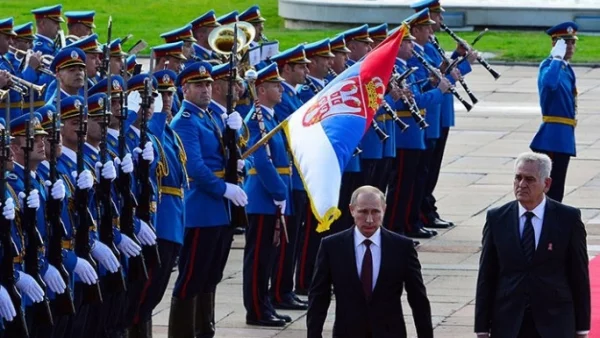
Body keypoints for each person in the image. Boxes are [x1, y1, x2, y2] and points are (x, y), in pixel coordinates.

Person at [474, 151, 590, 338]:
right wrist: (481, 327)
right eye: (518, 178)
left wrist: (582, 328)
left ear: (546, 184)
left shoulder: (568, 218)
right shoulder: (497, 218)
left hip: (555, 321)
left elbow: (579, 275)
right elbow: (487, 275)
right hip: (509, 321)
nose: (521, 185)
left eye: (529, 179)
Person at [307, 185, 433, 338]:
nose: (369, 219)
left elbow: (418, 299)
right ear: (352, 210)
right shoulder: (332, 247)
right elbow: (318, 297)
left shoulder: (401, 247)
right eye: (363, 212)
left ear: (384, 209)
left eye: (375, 212)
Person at [530, 22, 579, 203]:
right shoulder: (549, 65)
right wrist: (556, 59)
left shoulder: (566, 68)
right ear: (556, 44)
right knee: (550, 189)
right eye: (566, 43)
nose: (571, 47)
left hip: (564, 136)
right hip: (552, 137)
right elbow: (549, 84)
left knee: (557, 188)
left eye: (573, 43)